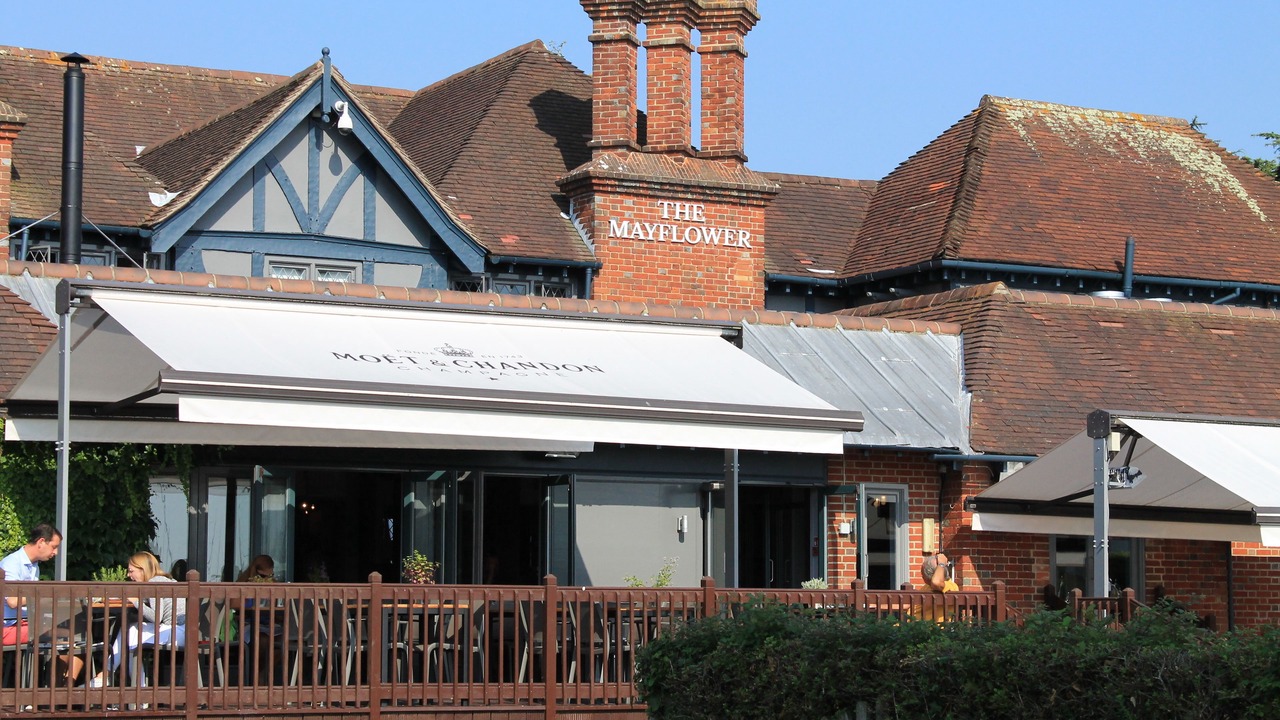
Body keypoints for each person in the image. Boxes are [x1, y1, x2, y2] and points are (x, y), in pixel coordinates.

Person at [87, 551, 186, 687]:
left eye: (131, 571)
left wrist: (134, 600)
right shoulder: (163, 580)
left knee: (130, 631)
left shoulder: (153, 582)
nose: (128, 575)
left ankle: (110, 677)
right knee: (130, 633)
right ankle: (119, 681)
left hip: (175, 632)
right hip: (180, 631)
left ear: (142, 569)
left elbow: (156, 617)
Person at [1, 523, 62, 646]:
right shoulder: (11, 563)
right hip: (7, 627)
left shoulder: (34, 565)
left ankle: (51, 665)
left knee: (70, 629)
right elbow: (13, 601)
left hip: (23, 623)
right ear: (41, 542)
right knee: (65, 633)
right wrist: (43, 597)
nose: (56, 552)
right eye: (54, 547)